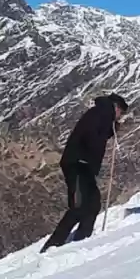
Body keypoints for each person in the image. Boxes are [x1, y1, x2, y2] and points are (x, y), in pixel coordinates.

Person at [42, 95, 129, 250]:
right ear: (116, 107)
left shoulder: (101, 114)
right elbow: (92, 135)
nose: (120, 116)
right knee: (79, 206)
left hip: (84, 165)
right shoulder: (102, 113)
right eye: (120, 113)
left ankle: (82, 238)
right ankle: (53, 245)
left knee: (93, 202)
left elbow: (97, 132)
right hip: (78, 164)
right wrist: (92, 153)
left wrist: (111, 130)